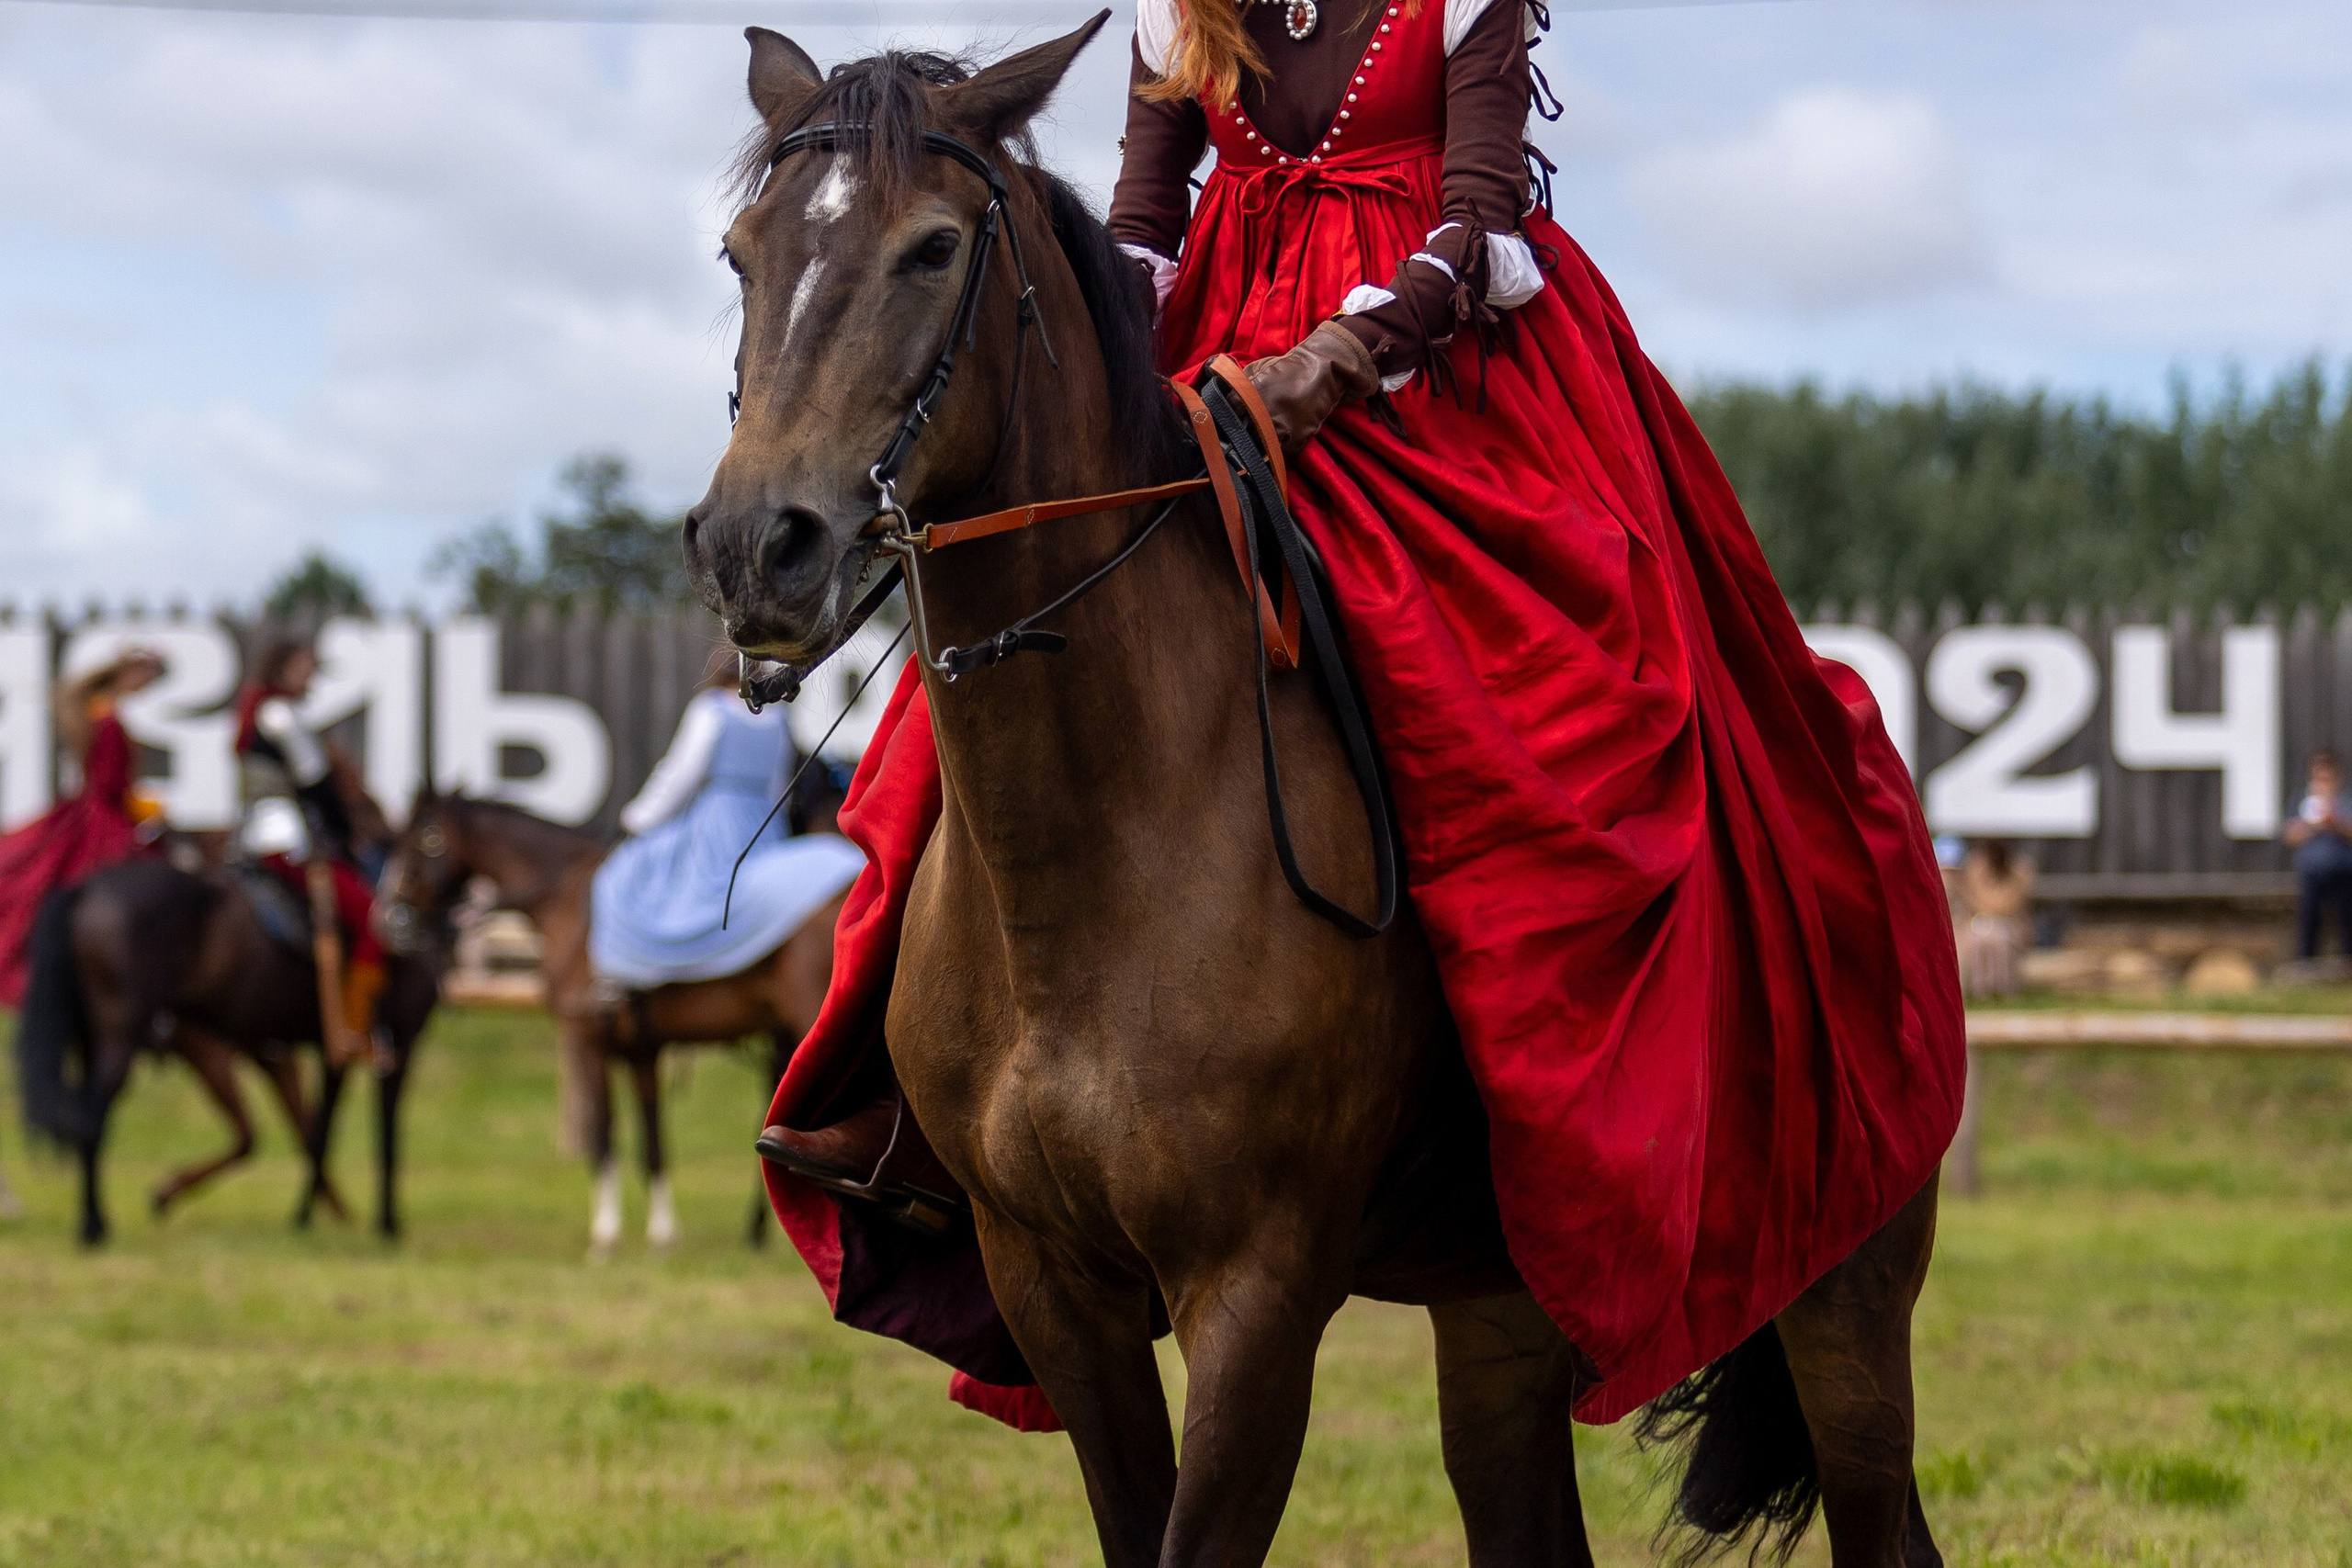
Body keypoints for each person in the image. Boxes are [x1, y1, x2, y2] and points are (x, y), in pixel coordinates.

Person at [756, 0, 1963, 1426]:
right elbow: (1144, 224)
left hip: (1440, 374)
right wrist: (1104, 351)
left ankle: (1579, 1090)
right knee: (999, 675)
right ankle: (918, 1108)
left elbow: (1481, 221)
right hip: (1215, 371)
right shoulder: (1178, 11)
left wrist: (1336, 358)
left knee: (1543, 705)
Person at [588, 663, 865, 989]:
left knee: (627, 877)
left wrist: (636, 820)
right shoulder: (778, 717)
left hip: (715, 825)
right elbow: (778, 788)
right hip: (764, 827)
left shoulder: (711, 709)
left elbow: (679, 776)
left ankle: (627, 980)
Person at [232, 639, 382, 1066]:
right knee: (372, 920)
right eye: (304, 666)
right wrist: (346, 835)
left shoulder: (257, 713)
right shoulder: (282, 715)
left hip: (257, 837)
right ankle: (357, 1027)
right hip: (290, 841)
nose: (310, 676)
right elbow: (316, 784)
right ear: (282, 667)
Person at [0, 647, 166, 1006]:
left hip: (95, 810)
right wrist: (144, 807)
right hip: (105, 817)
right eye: (146, 677)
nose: (145, 686)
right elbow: (109, 783)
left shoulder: (97, 710)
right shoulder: (108, 718)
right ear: (128, 673)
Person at [2283, 749, 2352, 960]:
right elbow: (2290, 835)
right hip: (2312, 872)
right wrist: (2315, 825)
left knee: (2347, 919)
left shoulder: (2346, 801)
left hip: (2344, 871)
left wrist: (2335, 823)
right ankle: (2307, 963)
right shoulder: (2302, 800)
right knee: (2309, 919)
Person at [1956, 840, 2035, 998]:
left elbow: (2009, 904)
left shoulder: (2018, 871)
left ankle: (2003, 987)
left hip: (2008, 925)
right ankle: (1979, 989)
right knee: (1976, 942)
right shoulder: (1975, 869)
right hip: (1977, 924)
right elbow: (1974, 901)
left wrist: (1989, 908)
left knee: (1999, 940)